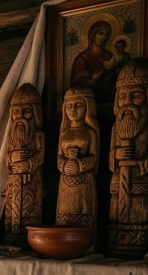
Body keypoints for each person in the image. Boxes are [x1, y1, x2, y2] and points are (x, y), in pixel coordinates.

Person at [108, 57, 148, 260]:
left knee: (140, 218)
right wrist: (116, 155)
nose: (128, 101)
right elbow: (110, 158)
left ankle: (139, 246)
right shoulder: (116, 127)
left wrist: (140, 165)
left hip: (143, 183)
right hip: (118, 181)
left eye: (136, 95)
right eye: (123, 96)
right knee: (116, 218)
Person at [2, 83, 45, 247]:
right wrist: (12, 157)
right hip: (13, 183)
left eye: (26, 111)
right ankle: (11, 237)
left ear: (35, 112)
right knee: (12, 211)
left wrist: (29, 164)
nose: (20, 116)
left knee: (30, 210)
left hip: (31, 182)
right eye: (16, 111)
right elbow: (6, 159)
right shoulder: (11, 136)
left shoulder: (38, 134)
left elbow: (40, 155)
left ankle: (29, 240)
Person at [55, 87, 100, 228]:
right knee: (64, 212)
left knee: (85, 212)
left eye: (78, 105)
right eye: (69, 106)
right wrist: (63, 165)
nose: (73, 110)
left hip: (85, 181)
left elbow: (94, 158)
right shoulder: (63, 133)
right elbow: (59, 157)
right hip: (65, 180)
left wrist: (80, 164)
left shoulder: (90, 133)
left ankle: (87, 242)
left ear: (87, 106)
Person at [70, 20, 114, 96]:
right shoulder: (82, 58)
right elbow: (75, 85)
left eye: (106, 35)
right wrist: (92, 80)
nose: (103, 37)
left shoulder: (110, 56)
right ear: (92, 35)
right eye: (100, 33)